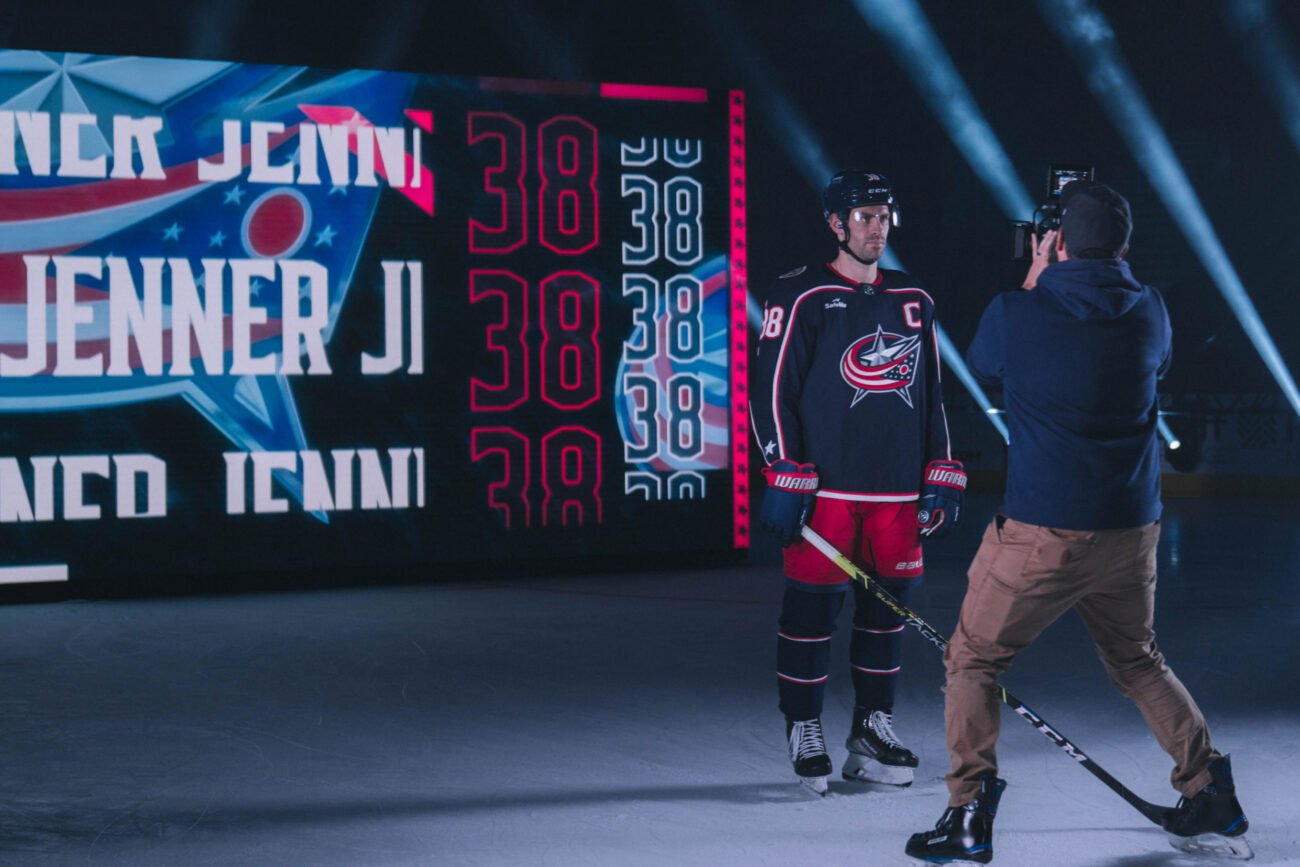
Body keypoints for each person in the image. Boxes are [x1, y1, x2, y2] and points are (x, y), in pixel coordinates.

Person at [905, 180, 1251, 863]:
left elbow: (984, 365)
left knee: (972, 659)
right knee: (1138, 659)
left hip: (1044, 534)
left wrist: (1037, 277)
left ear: (1056, 240)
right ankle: (1211, 787)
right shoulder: (1151, 310)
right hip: (1131, 531)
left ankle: (967, 813)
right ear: (1123, 244)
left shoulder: (1018, 311)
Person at [750, 169, 965, 795]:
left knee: (885, 618)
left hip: (897, 497)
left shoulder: (913, 299)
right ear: (836, 224)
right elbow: (770, 389)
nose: (877, 228)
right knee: (810, 616)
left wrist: (942, 470)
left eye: (883, 216)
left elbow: (933, 395)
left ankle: (872, 728)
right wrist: (783, 468)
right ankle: (804, 725)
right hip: (827, 497)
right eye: (864, 217)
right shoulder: (801, 295)